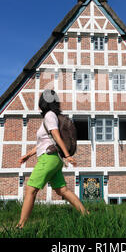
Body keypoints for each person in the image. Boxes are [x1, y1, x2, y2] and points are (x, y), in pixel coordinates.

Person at [16, 89, 88, 229]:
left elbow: (56, 136)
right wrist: (28, 155)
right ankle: (86, 214)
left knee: (31, 189)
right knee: (62, 190)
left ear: (43, 102)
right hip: (54, 159)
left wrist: (67, 155)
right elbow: (45, 142)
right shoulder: (51, 116)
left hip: (48, 159)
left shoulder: (49, 115)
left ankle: (20, 226)